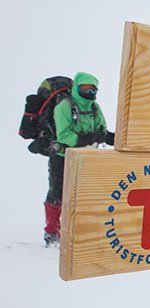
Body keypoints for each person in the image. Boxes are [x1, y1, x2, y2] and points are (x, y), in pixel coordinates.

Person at [44, 72, 114, 246]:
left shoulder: (94, 107)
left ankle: (78, 230)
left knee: (83, 194)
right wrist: (89, 138)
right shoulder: (64, 106)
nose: (89, 92)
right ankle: (52, 231)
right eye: (85, 88)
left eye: (93, 89)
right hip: (63, 156)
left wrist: (110, 137)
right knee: (57, 192)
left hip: (87, 157)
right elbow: (64, 135)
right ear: (76, 87)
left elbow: (102, 128)